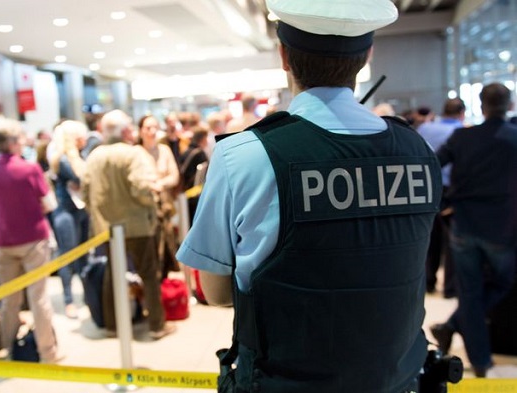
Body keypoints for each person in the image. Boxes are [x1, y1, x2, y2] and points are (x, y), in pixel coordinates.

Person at [176, 1, 442, 391]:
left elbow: (215, 292)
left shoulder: (244, 155)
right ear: (367, 56)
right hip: (397, 382)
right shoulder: (416, 150)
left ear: (284, 56)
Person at [430, 83, 517, 378]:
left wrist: (443, 201)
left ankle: (477, 358)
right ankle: (459, 333)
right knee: (503, 282)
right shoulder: (514, 138)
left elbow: (432, 164)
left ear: (480, 105)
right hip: (502, 228)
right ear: (510, 105)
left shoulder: (462, 137)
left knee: (470, 293)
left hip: (463, 225)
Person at [82, 110, 175, 340]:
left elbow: (85, 192)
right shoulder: (133, 154)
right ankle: (157, 325)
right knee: (149, 275)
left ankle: (113, 325)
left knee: (112, 276)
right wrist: (151, 202)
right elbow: (141, 188)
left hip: (108, 229)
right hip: (137, 226)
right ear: (125, 131)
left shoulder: (94, 156)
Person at [0, 119, 63, 363]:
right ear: (12, 142)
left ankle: (8, 350)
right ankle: (47, 352)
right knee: (39, 298)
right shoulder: (29, 169)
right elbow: (49, 203)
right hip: (32, 239)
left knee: (9, 300)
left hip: (3, 240)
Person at [417, 98, 466, 296]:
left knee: (431, 238)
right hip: (451, 190)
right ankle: (449, 287)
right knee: (452, 241)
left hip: (427, 188)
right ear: (461, 113)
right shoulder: (461, 132)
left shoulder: (424, 129)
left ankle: (429, 281)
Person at [48, 120, 90, 319]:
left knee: (82, 257)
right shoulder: (63, 159)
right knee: (67, 256)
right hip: (66, 212)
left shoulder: (77, 157)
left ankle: (87, 296)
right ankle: (68, 300)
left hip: (79, 210)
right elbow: (83, 178)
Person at [138, 115, 181, 279]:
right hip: (146, 210)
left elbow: (174, 176)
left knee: (168, 245)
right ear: (141, 130)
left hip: (165, 207)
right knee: (152, 250)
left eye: (155, 127)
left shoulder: (164, 150)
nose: (152, 131)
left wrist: (159, 184)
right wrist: (152, 184)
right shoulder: (137, 152)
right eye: (148, 127)